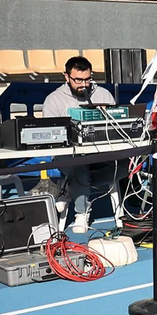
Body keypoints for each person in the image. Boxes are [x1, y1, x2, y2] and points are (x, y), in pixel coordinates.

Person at [42, 57, 118, 234]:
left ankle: (70, 186)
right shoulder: (53, 100)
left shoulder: (104, 95)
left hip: (102, 155)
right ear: (66, 77)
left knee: (124, 166)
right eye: (78, 80)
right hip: (70, 156)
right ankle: (82, 212)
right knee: (79, 166)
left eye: (87, 79)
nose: (83, 84)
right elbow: (51, 135)